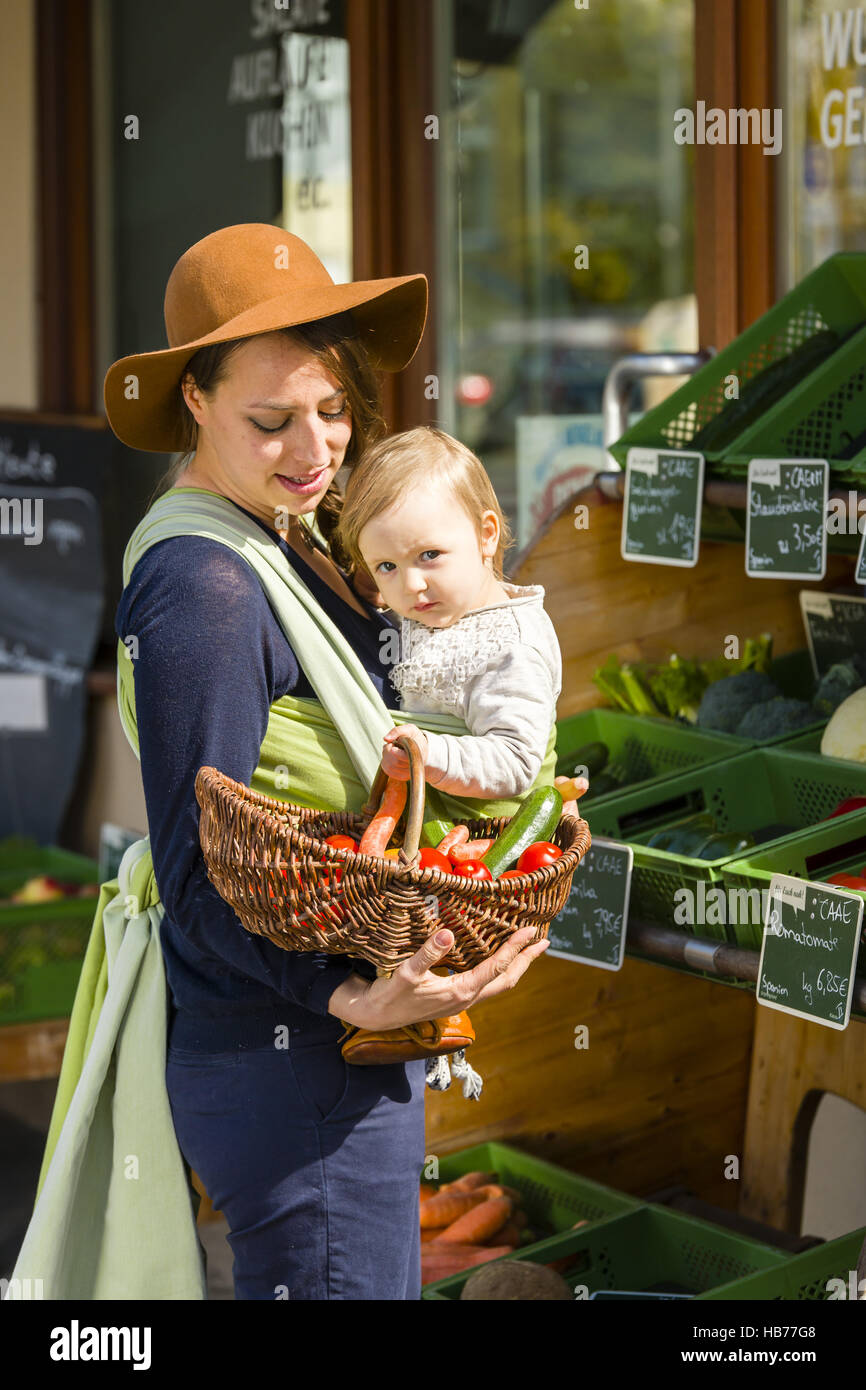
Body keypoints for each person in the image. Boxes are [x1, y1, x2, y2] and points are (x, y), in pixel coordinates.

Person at [95, 224, 553, 1301]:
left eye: (334, 410)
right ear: (194, 404)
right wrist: (346, 994)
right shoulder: (206, 586)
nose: (314, 447)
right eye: (271, 418)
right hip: (292, 1059)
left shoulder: (285, 538)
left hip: (319, 1047)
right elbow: (196, 871)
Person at [338, 425, 561, 799]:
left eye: (429, 555)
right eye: (387, 566)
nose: (410, 585)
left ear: (485, 535)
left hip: (480, 837)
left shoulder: (511, 649)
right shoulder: (430, 607)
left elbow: (515, 760)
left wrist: (429, 752)